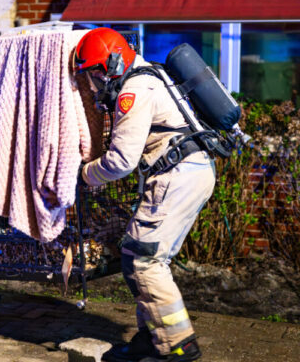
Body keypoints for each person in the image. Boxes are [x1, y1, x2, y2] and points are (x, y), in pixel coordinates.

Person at [76, 28, 216, 362]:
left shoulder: (135, 90)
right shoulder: (150, 74)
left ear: (112, 64)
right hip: (189, 172)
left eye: (94, 74)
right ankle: (151, 338)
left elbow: (121, 161)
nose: (93, 84)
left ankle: (178, 345)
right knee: (139, 254)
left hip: (177, 176)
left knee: (144, 259)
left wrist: (84, 174)